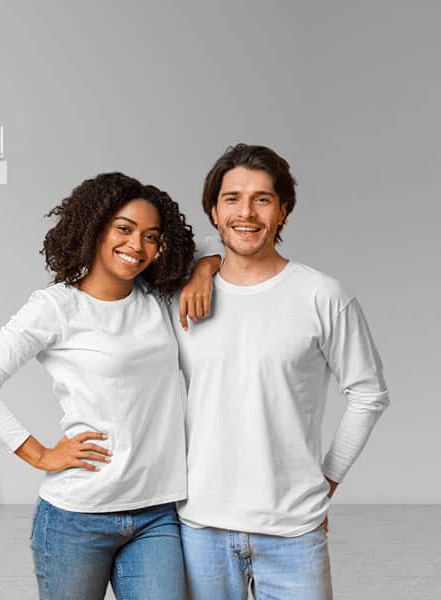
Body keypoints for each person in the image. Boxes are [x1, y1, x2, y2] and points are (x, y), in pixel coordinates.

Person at [0, 172, 219, 599]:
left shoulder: (159, 299)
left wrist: (204, 269)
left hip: (157, 513)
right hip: (78, 517)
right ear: (96, 227)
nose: (137, 246)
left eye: (152, 236)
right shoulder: (56, 307)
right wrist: (40, 453)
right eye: (124, 229)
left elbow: (222, 240)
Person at [175, 143, 390, 599]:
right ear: (213, 211)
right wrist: (204, 266)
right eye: (231, 198)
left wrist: (327, 479)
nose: (246, 212)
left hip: (292, 530)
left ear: (283, 212)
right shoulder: (185, 294)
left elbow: (368, 393)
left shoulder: (322, 296)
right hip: (200, 526)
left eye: (263, 199)